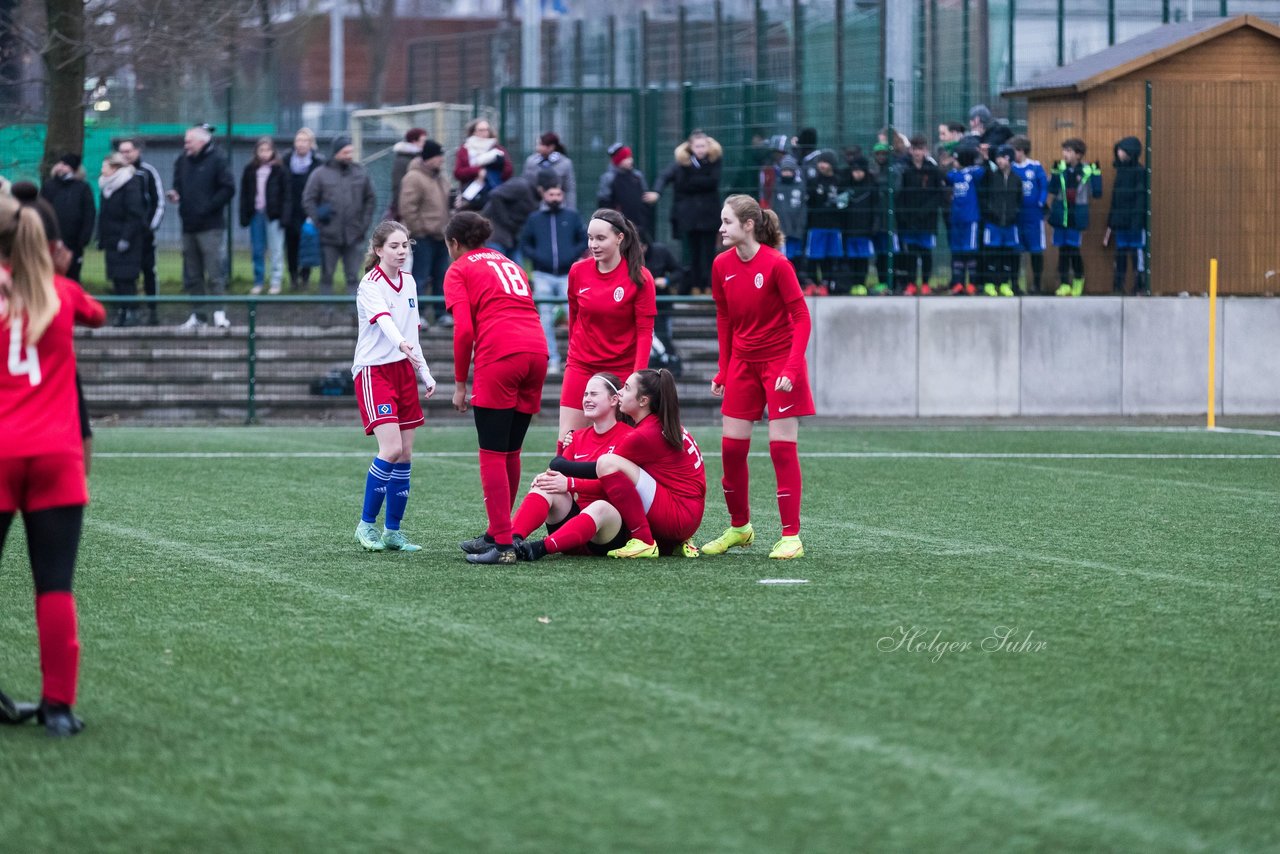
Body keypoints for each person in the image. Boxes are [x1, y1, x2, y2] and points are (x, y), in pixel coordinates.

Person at [0, 193, 107, 736]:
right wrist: (53, 270)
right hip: (55, 456)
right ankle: (58, 707)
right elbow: (99, 314)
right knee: (54, 585)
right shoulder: (62, 295)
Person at [703, 194, 813, 561]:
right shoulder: (721, 265)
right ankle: (740, 528)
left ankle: (791, 536)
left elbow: (802, 318)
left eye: (727, 222)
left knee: (782, 450)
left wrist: (791, 369)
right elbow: (725, 319)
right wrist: (724, 367)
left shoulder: (778, 264)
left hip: (780, 362)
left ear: (748, 225)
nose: (721, 229)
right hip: (743, 364)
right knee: (732, 451)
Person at [445, 212, 548, 565]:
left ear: (454, 244)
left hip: (501, 355)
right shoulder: (509, 262)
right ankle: (497, 530)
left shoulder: (459, 268)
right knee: (510, 451)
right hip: (537, 352)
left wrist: (460, 383)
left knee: (491, 452)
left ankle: (502, 544)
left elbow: (464, 332)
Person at [533, 368, 705, 560]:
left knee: (608, 462)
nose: (620, 392)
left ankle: (643, 540)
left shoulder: (643, 435)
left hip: (678, 517)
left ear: (643, 401)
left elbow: (601, 470)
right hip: (687, 515)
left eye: (627, 389)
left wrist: (561, 466)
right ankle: (666, 541)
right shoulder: (661, 424)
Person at [351, 221, 437, 553]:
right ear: (378, 250)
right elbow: (386, 322)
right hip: (374, 372)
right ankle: (365, 526)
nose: (401, 252)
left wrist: (425, 373)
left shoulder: (410, 282)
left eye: (405, 246)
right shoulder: (370, 284)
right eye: (394, 246)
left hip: (403, 370)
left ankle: (393, 531)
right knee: (390, 449)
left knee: (405, 455)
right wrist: (400, 343)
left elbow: (411, 333)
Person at [507, 372, 634, 559]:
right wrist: (546, 479)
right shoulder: (577, 437)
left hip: (608, 534)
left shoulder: (629, 437)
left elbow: (620, 489)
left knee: (600, 506)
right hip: (572, 531)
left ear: (614, 399)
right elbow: (557, 473)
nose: (587, 399)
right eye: (585, 395)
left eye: (594, 394)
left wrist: (570, 484)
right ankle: (510, 541)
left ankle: (539, 548)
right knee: (546, 486)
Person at [560, 208, 656, 450]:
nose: (593, 244)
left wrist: (637, 379)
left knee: (626, 446)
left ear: (619, 238)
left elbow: (645, 332)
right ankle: (562, 486)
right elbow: (574, 316)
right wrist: (572, 356)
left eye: (601, 238)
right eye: (590, 238)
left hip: (622, 369)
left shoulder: (640, 278)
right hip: (581, 364)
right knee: (567, 442)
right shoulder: (577, 271)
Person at [518, 174, 587, 375]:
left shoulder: (572, 216)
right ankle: (553, 360)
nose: (555, 197)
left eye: (558, 194)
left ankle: (576, 358)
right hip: (543, 275)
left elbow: (582, 239)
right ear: (544, 195)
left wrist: (572, 255)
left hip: (567, 274)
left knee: (573, 315)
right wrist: (538, 257)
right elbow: (525, 244)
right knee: (545, 318)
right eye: (551, 194)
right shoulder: (534, 219)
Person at [169, 124, 235, 329]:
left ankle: (219, 313)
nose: (185, 144)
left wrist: (208, 207)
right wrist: (176, 194)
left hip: (211, 226)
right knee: (193, 273)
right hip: (188, 225)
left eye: (189, 141)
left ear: (202, 141)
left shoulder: (218, 160)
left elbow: (228, 188)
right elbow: (178, 184)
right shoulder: (182, 161)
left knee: (214, 271)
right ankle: (198, 315)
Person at [303, 136, 377, 299]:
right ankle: (325, 314)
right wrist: (319, 224)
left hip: (354, 235)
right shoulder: (320, 174)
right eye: (345, 152)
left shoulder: (360, 172)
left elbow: (370, 199)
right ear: (336, 153)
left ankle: (355, 315)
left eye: (351, 151)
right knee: (327, 276)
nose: (349, 155)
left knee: (353, 277)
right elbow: (308, 200)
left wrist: (363, 225)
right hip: (328, 237)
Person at [651, 131, 723, 295]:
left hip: (708, 216)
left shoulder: (714, 161)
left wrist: (688, 182)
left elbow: (712, 181)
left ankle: (709, 286)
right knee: (692, 253)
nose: (700, 149)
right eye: (697, 146)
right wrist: (657, 191)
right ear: (691, 147)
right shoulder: (680, 163)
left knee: (708, 252)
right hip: (689, 218)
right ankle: (694, 285)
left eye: (703, 145)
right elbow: (665, 176)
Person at [398, 138, 452, 321]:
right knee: (419, 277)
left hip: (441, 235)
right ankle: (417, 314)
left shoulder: (441, 178)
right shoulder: (413, 177)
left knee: (441, 276)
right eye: (438, 156)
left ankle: (441, 313)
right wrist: (418, 230)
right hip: (423, 237)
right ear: (429, 157)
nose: (441, 160)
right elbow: (407, 207)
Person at [1047, 138, 1103, 297]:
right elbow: (1052, 189)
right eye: (1064, 150)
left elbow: (1097, 193)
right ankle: (1064, 283)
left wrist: (1097, 174)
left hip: (1077, 215)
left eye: (1069, 151)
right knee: (1062, 250)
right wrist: (1055, 173)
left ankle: (1078, 280)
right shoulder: (1060, 168)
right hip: (1061, 215)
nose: (1065, 154)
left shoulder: (1087, 169)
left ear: (1078, 155)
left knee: (1073, 249)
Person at [115, 138, 164, 320]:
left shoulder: (147, 172)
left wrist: (149, 227)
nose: (125, 155)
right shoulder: (115, 173)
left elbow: (158, 202)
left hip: (144, 235)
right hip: (124, 235)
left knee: (149, 271)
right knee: (125, 273)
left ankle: (152, 310)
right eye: (122, 151)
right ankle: (127, 310)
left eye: (128, 151)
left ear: (137, 151)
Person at [97, 153, 148, 326]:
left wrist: (126, 238)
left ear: (114, 168)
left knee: (127, 278)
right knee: (116, 279)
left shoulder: (130, 185)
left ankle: (131, 312)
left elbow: (134, 215)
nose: (102, 171)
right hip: (111, 240)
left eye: (104, 167)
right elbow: (104, 215)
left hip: (128, 242)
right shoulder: (107, 188)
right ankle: (122, 312)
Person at [238, 136, 288, 295]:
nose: (265, 153)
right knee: (257, 250)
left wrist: (284, 217)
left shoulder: (280, 170)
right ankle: (258, 281)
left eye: (268, 150)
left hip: (274, 215)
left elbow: (287, 195)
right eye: (261, 150)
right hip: (256, 215)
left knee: (276, 249)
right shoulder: (250, 170)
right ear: (256, 152)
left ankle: (275, 281)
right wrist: (244, 215)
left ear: (273, 151)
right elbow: (244, 194)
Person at [896, 136, 944, 295]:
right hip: (908, 221)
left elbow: (939, 194)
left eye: (920, 149)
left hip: (927, 221)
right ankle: (910, 284)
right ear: (910, 150)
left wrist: (926, 211)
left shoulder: (933, 170)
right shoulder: (904, 169)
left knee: (925, 253)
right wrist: (905, 214)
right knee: (910, 254)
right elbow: (899, 195)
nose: (917, 152)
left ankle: (924, 284)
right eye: (914, 149)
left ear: (925, 150)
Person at [39, 154, 96, 284]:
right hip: (51, 240)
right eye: (60, 163)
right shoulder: (49, 186)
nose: (60, 167)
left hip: (74, 242)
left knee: (72, 275)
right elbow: (42, 211)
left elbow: (89, 214)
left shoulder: (82, 188)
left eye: (65, 164)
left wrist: (84, 238)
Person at [1105, 136, 1147, 296]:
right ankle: (1118, 284)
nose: (1119, 153)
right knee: (1120, 252)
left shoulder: (1139, 172)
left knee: (1137, 253)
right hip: (1121, 221)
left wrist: (1137, 221)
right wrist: (1111, 221)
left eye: (1122, 150)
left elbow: (1140, 198)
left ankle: (1140, 285)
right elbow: (1115, 199)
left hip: (1134, 222)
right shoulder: (1120, 171)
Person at [979, 144, 1023, 296]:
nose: (999, 161)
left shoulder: (1016, 179)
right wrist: (990, 214)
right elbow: (983, 197)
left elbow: (1019, 199)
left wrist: (1014, 214)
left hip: (1010, 224)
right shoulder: (990, 176)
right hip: (993, 224)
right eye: (997, 157)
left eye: (1003, 157)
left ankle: (1005, 284)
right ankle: (990, 284)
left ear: (1009, 159)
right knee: (991, 253)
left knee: (1007, 254)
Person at [282, 128, 323, 291]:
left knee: (307, 243)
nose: (301, 144)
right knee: (291, 245)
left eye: (305, 140)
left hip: (309, 211)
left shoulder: (318, 162)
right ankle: (293, 277)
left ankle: (305, 276)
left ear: (311, 144)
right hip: (290, 209)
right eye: (298, 140)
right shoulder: (285, 161)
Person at [1009, 135, 1049, 295]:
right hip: (1017, 216)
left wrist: (1040, 202)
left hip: (1034, 216)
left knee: (1036, 250)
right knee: (1016, 250)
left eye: (1013, 151)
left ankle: (1036, 285)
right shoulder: (1010, 168)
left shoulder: (1035, 167)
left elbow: (1044, 187)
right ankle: (1015, 284)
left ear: (1021, 151)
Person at [946, 145, 985, 295]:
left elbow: (984, 170)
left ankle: (972, 284)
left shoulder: (973, 173)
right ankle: (958, 283)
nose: (954, 161)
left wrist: (982, 158)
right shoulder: (954, 175)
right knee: (957, 252)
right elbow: (945, 176)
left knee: (970, 252)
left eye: (956, 159)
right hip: (956, 219)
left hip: (971, 220)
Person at [803, 152, 843, 293]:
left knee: (830, 256)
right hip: (816, 226)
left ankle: (826, 284)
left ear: (831, 164)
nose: (822, 165)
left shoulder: (838, 182)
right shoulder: (813, 182)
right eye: (820, 162)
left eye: (825, 162)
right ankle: (813, 283)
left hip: (834, 226)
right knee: (814, 256)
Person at [841, 155, 880, 295]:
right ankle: (853, 284)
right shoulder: (847, 187)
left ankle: (861, 284)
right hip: (850, 230)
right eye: (854, 171)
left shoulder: (871, 187)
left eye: (860, 171)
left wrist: (874, 225)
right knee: (852, 258)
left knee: (863, 259)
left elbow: (876, 208)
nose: (857, 174)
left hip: (865, 230)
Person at [597, 143, 653, 240]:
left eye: (630, 157)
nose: (630, 160)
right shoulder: (609, 178)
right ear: (618, 161)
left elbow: (644, 198)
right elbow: (604, 202)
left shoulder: (638, 176)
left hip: (640, 224)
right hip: (621, 226)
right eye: (626, 158)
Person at [454, 118, 512, 211]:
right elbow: (458, 173)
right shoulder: (465, 149)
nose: (484, 133)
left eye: (486, 130)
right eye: (480, 130)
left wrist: (492, 170)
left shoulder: (497, 149)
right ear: (473, 132)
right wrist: (478, 171)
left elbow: (508, 170)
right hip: (471, 196)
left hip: (493, 193)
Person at [480, 173, 539, 260]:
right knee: (495, 267)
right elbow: (495, 195)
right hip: (495, 233)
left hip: (512, 238)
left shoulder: (536, 199)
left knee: (517, 270)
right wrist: (506, 221)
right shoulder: (521, 186)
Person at [641, 235, 681, 357]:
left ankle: (670, 363)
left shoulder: (660, 252)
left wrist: (666, 280)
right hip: (640, 307)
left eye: (641, 247)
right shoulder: (626, 255)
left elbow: (679, 271)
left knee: (664, 338)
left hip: (661, 305)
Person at [769, 155, 807, 278]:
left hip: (796, 229)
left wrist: (800, 226)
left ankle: (798, 280)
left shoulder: (800, 187)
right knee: (783, 258)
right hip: (781, 230)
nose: (786, 173)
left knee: (796, 256)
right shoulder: (777, 186)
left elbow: (803, 209)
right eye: (784, 170)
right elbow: (774, 208)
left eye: (789, 170)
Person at [522, 132, 576, 210]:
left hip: (557, 206)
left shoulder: (565, 163)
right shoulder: (531, 162)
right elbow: (525, 185)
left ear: (551, 147)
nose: (538, 147)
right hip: (534, 206)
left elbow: (569, 189)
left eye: (541, 144)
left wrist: (571, 209)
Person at [388, 128, 426, 220]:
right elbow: (398, 185)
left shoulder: (420, 158)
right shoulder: (403, 160)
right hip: (407, 209)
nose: (425, 144)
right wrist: (400, 209)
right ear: (414, 141)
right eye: (423, 141)